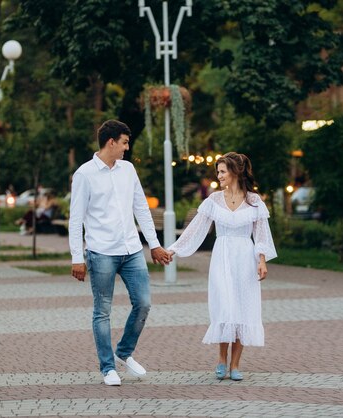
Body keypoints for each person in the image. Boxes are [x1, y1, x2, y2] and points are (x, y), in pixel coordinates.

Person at [69, 119, 172, 386]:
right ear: (111, 142)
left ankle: (123, 353)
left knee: (144, 302)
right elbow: (75, 219)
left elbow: (141, 209)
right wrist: (77, 258)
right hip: (101, 251)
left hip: (132, 250)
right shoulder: (84, 174)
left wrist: (155, 244)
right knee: (102, 311)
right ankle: (107, 367)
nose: (127, 148)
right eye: (125, 142)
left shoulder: (128, 170)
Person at [167, 152, 277, 381]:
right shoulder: (214, 200)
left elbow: (262, 235)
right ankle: (221, 359)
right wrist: (174, 249)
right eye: (218, 172)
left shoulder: (254, 201)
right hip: (222, 258)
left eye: (222, 171)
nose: (219, 176)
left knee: (242, 310)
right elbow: (196, 228)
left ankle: (235, 365)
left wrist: (262, 260)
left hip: (246, 259)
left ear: (235, 172)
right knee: (225, 307)